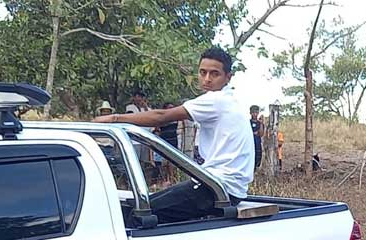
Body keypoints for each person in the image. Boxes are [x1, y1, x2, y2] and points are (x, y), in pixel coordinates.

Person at [94, 46, 254, 223]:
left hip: (219, 189)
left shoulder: (217, 100)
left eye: (214, 74)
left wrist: (115, 118)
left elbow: (161, 117)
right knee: (139, 206)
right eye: (203, 72)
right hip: (220, 185)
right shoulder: (229, 100)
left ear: (227, 77)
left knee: (138, 216)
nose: (207, 79)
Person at [250, 105, 265, 169]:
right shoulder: (248, 123)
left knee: (258, 158)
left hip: (258, 144)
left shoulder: (260, 123)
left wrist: (261, 123)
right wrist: (254, 133)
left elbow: (261, 134)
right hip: (250, 144)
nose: (255, 114)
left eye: (256, 112)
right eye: (253, 112)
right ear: (250, 113)